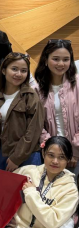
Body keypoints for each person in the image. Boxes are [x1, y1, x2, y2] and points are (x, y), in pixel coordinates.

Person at [0, 52, 45, 171]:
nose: (19, 74)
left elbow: (34, 131)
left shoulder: (30, 96)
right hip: (0, 153)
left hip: (27, 155)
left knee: (27, 184)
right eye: (14, 69)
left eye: (23, 71)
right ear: (3, 70)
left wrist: (17, 158)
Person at [34, 39, 79, 170]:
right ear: (46, 60)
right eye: (55, 59)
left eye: (66, 59)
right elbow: (37, 124)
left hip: (76, 153)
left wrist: (73, 151)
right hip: (51, 156)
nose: (61, 64)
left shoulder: (77, 83)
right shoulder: (37, 89)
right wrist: (54, 149)